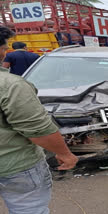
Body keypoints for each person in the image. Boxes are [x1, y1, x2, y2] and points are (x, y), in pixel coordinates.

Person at [0, 26, 78, 214]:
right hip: (14, 166)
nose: (5, 52)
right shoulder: (12, 86)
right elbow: (38, 131)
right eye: (4, 47)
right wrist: (66, 154)